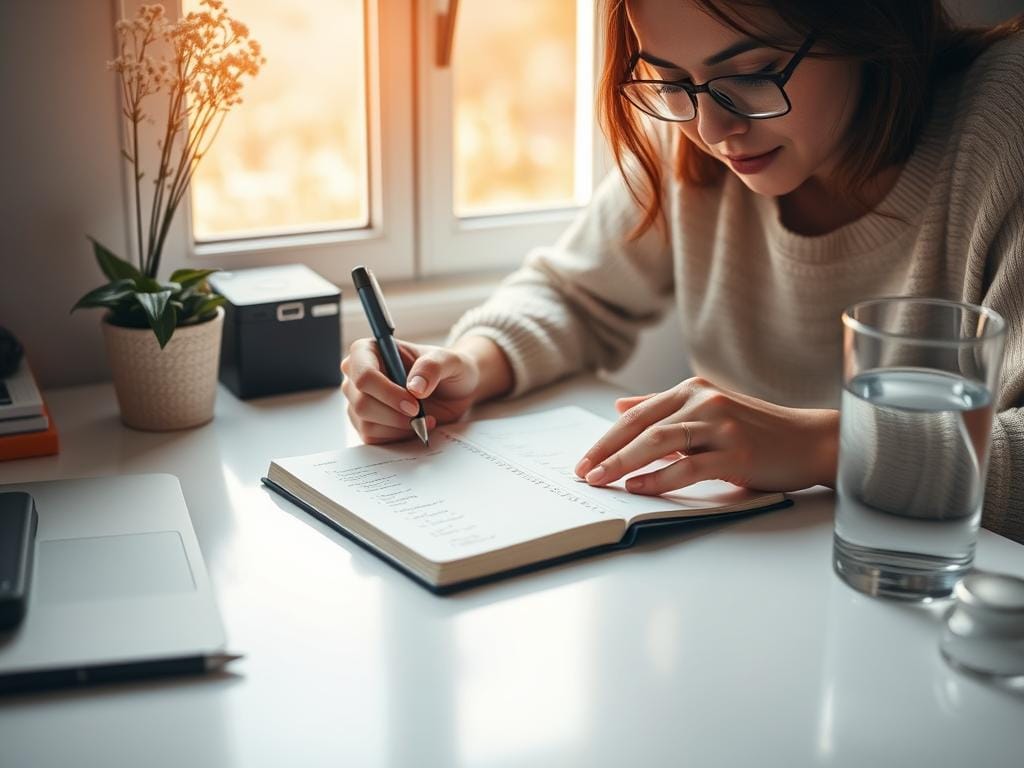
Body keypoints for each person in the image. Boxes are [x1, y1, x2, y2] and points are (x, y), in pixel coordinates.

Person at [342, 0, 1024, 542]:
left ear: (867, 20)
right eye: (670, 81)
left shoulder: (1004, 125)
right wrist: (463, 365)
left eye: (752, 74)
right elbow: (572, 293)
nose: (711, 127)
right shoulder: (696, 135)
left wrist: (826, 445)